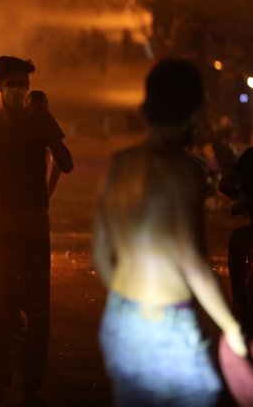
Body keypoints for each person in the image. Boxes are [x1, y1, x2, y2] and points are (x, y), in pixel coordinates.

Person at [93, 58, 248, 406]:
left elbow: (102, 256)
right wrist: (231, 326)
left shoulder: (118, 166)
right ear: (192, 110)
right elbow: (193, 263)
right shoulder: (183, 172)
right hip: (171, 320)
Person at [0, 56, 73, 404]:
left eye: (22, 85)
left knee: (38, 309)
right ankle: (2, 374)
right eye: (11, 85)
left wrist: (52, 133)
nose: (17, 91)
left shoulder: (41, 122)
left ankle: (32, 381)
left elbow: (66, 163)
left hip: (33, 227)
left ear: (28, 89)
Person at [226, 148, 253, 337]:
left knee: (236, 242)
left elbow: (224, 185)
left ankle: (239, 303)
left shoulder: (250, 156)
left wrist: (244, 199)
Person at [26, 91, 62, 199]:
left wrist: (48, 191)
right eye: (33, 106)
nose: (36, 110)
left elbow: (59, 163)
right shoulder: (19, 126)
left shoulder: (47, 128)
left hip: (37, 189)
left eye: (40, 107)